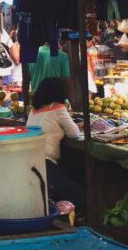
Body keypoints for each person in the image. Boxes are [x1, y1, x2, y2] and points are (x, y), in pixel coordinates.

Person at [25, 77, 85, 210]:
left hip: (30, 161)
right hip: (46, 164)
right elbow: (74, 134)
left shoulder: (33, 110)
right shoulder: (58, 108)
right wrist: (79, 125)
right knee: (77, 195)